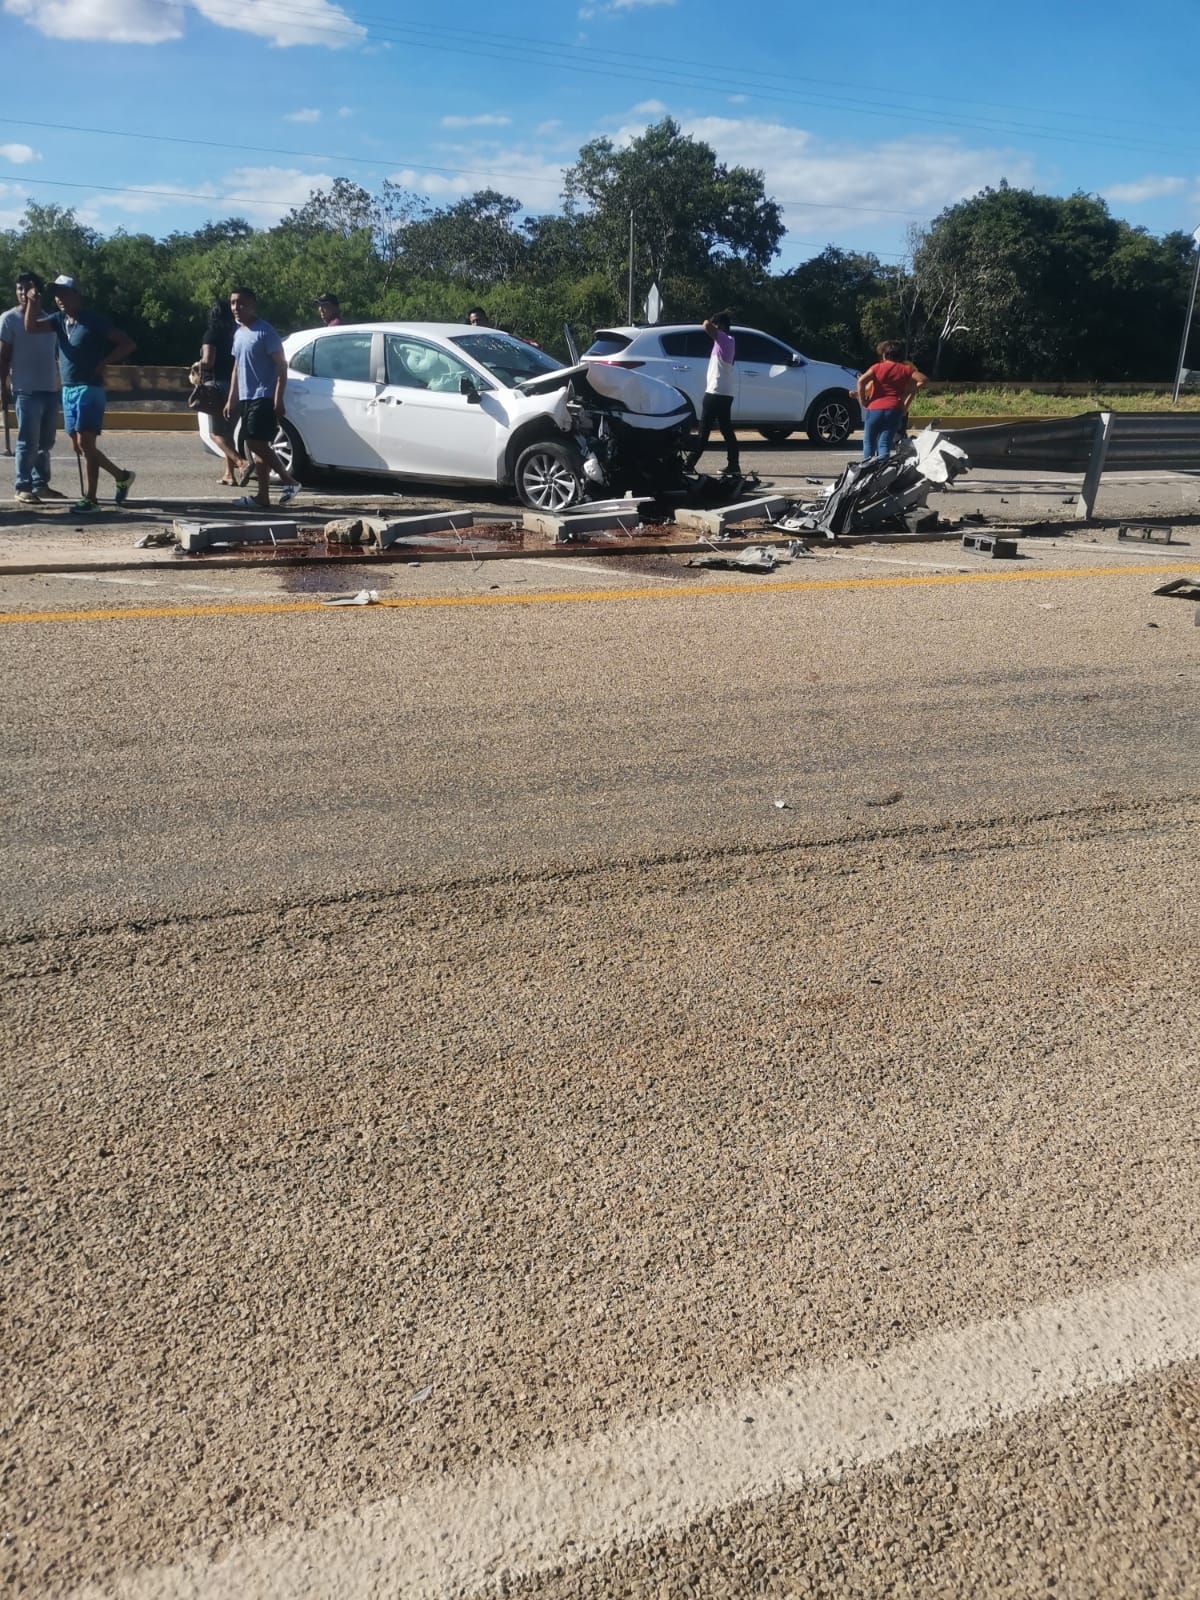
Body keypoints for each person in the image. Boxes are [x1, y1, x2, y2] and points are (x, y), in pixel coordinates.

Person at [22, 274, 136, 513]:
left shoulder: (93, 320)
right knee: (80, 447)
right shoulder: (58, 320)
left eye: (63, 293)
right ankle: (121, 475)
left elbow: (126, 343)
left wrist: (105, 361)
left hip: (89, 388)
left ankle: (91, 499)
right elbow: (30, 327)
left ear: (76, 294)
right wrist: (32, 302)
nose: (59, 298)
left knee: (86, 443)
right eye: (56, 294)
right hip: (69, 388)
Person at [224, 286, 300, 511]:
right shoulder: (239, 334)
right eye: (233, 303)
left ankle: (289, 481)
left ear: (252, 305)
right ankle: (263, 497)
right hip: (247, 397)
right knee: (260, 448)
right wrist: (231, 399)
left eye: (241, 303)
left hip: (263, 396)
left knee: (253, 442)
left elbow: (281, 366)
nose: (236, 307)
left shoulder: (265, 332)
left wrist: (278, 397)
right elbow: (237, 368)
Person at [0, 272, 64, 505]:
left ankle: (40, 484)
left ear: (37, 292)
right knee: (27, 441)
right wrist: (2, 386)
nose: (23, 293)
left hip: (49, 388)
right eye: (19, 288)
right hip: (25, 390)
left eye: (28, 288)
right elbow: (3, 356)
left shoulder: (49, 320)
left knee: (45, 442)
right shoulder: (9, 319)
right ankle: (23, 485)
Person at [200, 299, 248, 487]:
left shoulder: (211, 334)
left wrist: (196, 364)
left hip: (218, 387)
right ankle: (229, 474)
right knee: (228, 433)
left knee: (215, 433)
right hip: (237, 387)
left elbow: (208, 361)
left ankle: (241, 463)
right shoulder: (236, 334)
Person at [684, 311, 739, 478]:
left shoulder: (724, 339)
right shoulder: (727, 342)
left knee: (704, 431)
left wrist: (711, 322)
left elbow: (705, 325)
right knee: (727, 430)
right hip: (725, 393)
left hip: (715, 393)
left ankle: (689, 463)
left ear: (721, 326)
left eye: (717, 325)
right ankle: (734, 464)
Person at [855, 340, 927, 460]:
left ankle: (868, 470)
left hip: (874, 408)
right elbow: (923, 379)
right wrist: (908, 390)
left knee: (869, 442)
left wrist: (863, 401)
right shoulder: (905, 369)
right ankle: (882, 472)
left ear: (885, 354)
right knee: (884, 443)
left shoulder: (877, 367)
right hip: (894, 409)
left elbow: (861, 381)